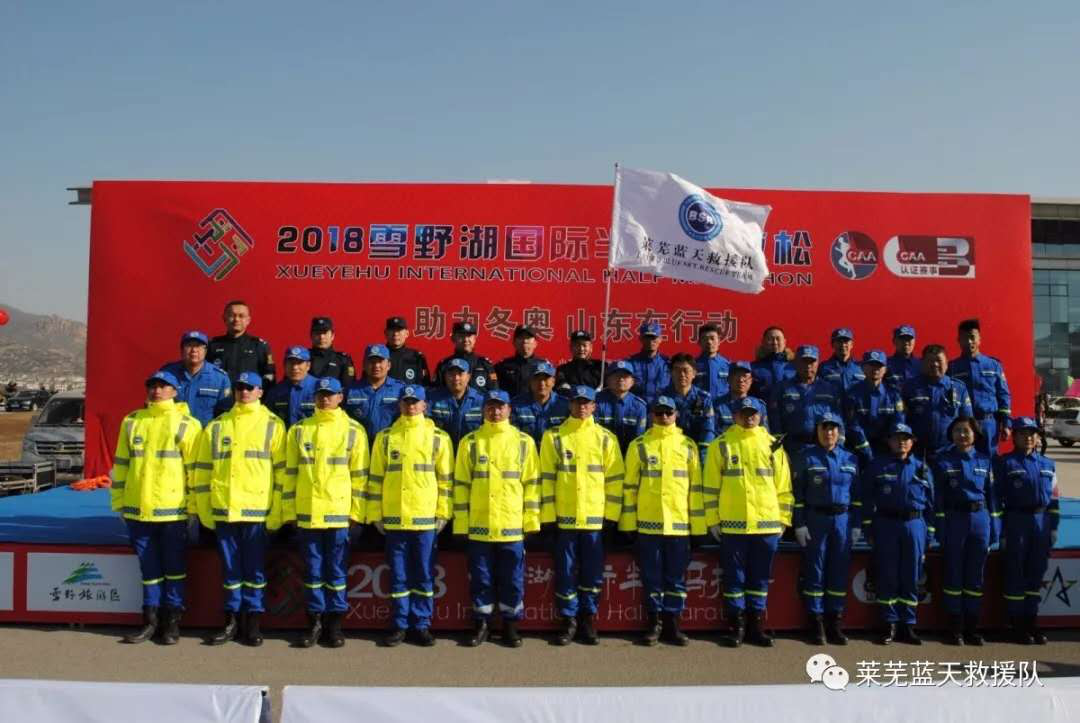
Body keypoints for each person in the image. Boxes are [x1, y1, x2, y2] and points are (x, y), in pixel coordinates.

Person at [192, 371, 285, 647]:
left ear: (260, 392)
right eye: (240, 388)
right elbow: (202, 472)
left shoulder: (273, 425)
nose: (244, 392)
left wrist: (277, 513)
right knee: (231, 570)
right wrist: (204, 510)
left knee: (255, 571)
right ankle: (231, 622)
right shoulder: (217, 426)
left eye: (250, 388)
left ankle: (253, 624)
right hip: (225, 510)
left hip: (257, 511)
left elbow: (283, 475)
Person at [110, 370, 201, 644]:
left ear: (175, 391)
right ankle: (150, 621)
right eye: (152, 386)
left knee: (174, 569)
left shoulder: (187, 424)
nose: (157, 390)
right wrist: (119, 504)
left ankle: (172, 623)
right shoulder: (132, 421)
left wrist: (193, 508)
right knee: (148, 570)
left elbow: (195, 472)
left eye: (163, 386)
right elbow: (121, 465)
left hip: (172, 511)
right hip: (138, 510)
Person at [282, 377, 369, 648]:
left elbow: (360, 478)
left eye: (330, 394)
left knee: (336, 573)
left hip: (339, 514)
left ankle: (334, 625)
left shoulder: (354, 430)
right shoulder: (299, 430)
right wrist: (289, 512)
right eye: (321, 394)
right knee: (312, 572)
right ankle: (314, 624)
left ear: (341, 397)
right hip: (308, 513)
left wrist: (356, 514)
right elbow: (289, 475)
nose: (325, 398)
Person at [453, 390, 541, 648]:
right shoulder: (470, 442)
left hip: (511, 526)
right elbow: (461, 486)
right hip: (479, 526)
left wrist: (531, 521)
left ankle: (511, 626)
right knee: (481, 579)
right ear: (483, 410)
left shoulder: (524, 442)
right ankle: (482, 624)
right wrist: (461, 523)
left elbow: (532, 486)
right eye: (490, 407)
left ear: (509, 410)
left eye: (500, 407)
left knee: (512, 580)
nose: (495, 412)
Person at [368, 385, 453, 647]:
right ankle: (400, 624)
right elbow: (375, 479)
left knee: (424, 575)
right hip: (394, 519)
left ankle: (422, 624)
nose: (411, 406)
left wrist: (443, 513)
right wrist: (375, 514)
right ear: (399, 405)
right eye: (406, 401)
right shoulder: (385, 437)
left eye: (415, 401)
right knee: (399, 576)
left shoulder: (438, 438)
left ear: (425, 405)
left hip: (425, 519)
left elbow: (446, 481)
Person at [704, 398, 792, 647]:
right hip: (733, 524)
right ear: (735, 416)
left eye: (753, 413)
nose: (749, 417)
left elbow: (784, 487)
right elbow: (710, 487)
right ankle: (737, 627)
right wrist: (712, 520)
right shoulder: (721, 444)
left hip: (767, 524)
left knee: (760, 578)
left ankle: (756, 626)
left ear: (761, 416)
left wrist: (783, 519)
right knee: (734, 578)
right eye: (744, 413)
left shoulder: (773, 445)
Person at [540, 386, 625, 645]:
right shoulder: (553, 437)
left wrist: (611, 516)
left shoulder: (606, 438)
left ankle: (588, 618)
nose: (582, 407)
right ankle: (568, 620)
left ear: (594, 406)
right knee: (565, 572)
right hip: (564, 519)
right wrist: (548, 516)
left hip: (594, 520)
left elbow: (615, 481)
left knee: (592, 573)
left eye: (587, 402)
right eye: (577, 402)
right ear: (570, 405)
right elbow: (546, 480)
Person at [619, 396, 705, 646]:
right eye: (659, 413)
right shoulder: (640, 445)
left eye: (668, 412)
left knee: (676, 579)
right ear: (651, 415)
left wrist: (698, 527)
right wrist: (628, 524)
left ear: (676, 414)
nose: (664, 417)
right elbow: (629, 488)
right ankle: (654, 623)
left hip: (679, 525)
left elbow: (695, 489)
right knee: (651, 578)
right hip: (649, 525)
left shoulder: (688, 445)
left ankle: (673, 624)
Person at [862, 423, 935, 645]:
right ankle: (889, 624)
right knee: (888, 575)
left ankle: (908, 625)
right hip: (886, 524)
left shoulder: (922, 468)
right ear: (889, 441)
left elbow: (932, 504)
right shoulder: (878, 466)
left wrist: (929, 534)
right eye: (896, 438)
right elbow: (866, 499)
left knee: (911, 576)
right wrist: (868, 528)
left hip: (915, 525)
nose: (901, 441)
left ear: (912, 442)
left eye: (906, 438)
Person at [792, 413, 861, 645]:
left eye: (833, 428)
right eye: (824, 428)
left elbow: (858, 497)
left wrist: (856, 525)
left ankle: (835, 623)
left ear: (839, 432)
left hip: (843, 521)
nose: (828, 432)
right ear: (817, 431)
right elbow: (798, 495)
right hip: (816, 519)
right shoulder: (806, 457)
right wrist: (799, 523)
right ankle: (816, 623)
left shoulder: (851, 458)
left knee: (838, 571)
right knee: (815, 570)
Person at [931, 416, 997, 646]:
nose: (962, 435)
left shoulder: (985, 460)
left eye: (966, 431)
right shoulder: (942, 461)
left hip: (980, 520)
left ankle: (971, 628)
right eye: (957, 431)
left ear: (975, 434)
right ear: (951, 434)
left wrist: (994, 529)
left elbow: (993, 497)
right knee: (954, 573)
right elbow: (937, 498)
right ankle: (955, 628)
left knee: (975, 575)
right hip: (954, 519)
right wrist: (939, 528)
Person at [995, 416, 1059, 645]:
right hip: (1016, 521)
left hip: (1041, 522)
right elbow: (996, 499)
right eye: (1022, 433)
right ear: (1014, 437)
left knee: (1036, 573)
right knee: (1015, 572)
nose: (1028, 437)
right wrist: (1001, 531)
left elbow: (1054, 500)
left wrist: (1053, 527)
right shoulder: (1005, 463)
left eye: (1032, 433)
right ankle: (1016, 625)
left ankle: (1031, 622)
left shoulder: (1048, 464)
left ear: (1038, 437)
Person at [949, 319, 1012, 455]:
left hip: (988, 423)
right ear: (958, 340)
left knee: (990, 461)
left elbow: (1003, 394)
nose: (969, 342)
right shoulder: (952, 367)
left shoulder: (993, 365)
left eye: (972, 337)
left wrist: (1006, 423)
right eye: (965, 338)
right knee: (963, 459)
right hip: (964, 425)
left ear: (979, 339)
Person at [902, 345, 973, 460]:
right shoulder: (910, 387)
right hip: (918, 452)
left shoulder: (959, 388)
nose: (935, 364)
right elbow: (902, 419)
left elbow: (967, 420)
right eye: (930, 361)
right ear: (922, 363)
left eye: (939, 360)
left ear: (947, 363)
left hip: (950, 452)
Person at [769, 345, 841, 456]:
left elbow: (838, 419)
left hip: (821, 448)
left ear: (818, 363)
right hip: (791, 448)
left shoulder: (829, 389)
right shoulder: (782, 388)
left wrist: (838, 444)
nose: (808, 366)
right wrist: (779, 447)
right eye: (804, 362)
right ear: (796, 363)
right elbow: (774, 420)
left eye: (812, 362)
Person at [843, 350, 905, 466]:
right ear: (863, 368)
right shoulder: (852, 394)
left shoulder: (893, 394)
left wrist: (890, 444)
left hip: (887, 449)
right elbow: (853, 425)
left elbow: (898, 422)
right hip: (858, 449)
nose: (875, 369)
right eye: (871, 365)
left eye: (879, 366)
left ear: (885, 369)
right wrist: (865, 449)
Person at [160, 330, 232, 427]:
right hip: (172, 432)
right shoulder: (167, 374)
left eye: (198, 346)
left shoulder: (220, 378)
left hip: (203, 433)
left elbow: (225, 414)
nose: (194, 350)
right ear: (182, 350)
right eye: (189, 345)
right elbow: (155, 405)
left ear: (205, 351)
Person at [659, 353, 716, 464]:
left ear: (694, 373)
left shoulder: (703, 398)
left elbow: (708, 431)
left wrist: (701, 458)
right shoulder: (662, 397)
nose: (682, 374)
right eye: (677, 370)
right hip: (669, 453)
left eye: (686, 370)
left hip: (696, 454)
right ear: (670, 373)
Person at [344, 343, 404, 441]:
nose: (376, 366)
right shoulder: (351, 390)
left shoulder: (400, 390)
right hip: (359, 444)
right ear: (364, 365)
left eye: (380, 361)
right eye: (372, 362)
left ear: (388, 365)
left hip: (389, 444)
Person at [207, 300, 275, 387]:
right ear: (224, 318)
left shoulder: (259, 346)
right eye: (232, 315)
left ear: (248, 320)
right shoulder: (212, 345)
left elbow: (269, 376)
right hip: (219, 395)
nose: (236, 319)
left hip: (246, 394)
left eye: (241, 316)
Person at [427, 358, 484, 447]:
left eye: (460, 374)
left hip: (469, 452)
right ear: (445, 376)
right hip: (441, 451)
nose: (456, 378)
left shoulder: (481, 401)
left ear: (468, 377)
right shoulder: (432, 399)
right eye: (451, 374)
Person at [594, 361, 649, 454]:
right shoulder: (596, 402)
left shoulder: (639, 406)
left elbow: (638, 438)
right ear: (608, 380)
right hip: (601, 452)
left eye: (625, 376)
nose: (621, 379)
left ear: (632, 382)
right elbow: (594, 434)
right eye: (616, 375)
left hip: (629, 454)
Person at [511, 361, 569, 447]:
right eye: (537, 379)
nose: (542, 383)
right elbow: (511, 435)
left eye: (546, 379)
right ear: (530, 382)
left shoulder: (565, 405)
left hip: (555, 453)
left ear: (553, 382)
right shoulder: (516, 404)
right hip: (527, 453)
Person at [433, 321, 498, 393]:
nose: (466, 340)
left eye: (469, 336)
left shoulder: (484, 364)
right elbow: (436, 392)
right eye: (461, 336)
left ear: (475, 339)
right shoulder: (444, 365)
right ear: (453, 338)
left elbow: (494, 391)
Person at [263, 345, 317, 428]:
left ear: (308, 365)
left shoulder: (319, 388)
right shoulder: (276, 392)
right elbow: (268, 422)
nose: (295, 367)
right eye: (291, 363)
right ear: (284, 365)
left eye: (299, 363)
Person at [714, 360, 769, 435]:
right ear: (728, 380)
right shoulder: (717, 405)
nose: (741, 380)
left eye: (745, 376)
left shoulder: (759, 405)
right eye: (737, 376)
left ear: (751, 381)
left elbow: (764, 434)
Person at [495, 325, 547, 398]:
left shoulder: (544, 366)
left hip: (535, 404)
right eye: (521, 338)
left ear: (535, 343)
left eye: (528, 338)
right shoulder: (502, 366)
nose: (525, 341)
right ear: (514, 343)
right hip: (510, 404)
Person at [624, 322, 670, 402]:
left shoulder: (668, 363)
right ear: (640, 338)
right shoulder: (630, 363)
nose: (650, 341)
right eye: (647, 337)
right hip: (636, 406)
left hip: (661, 406)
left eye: (653, 337)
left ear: (660, 339)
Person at [308, 317, 355, 387]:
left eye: (325, 333)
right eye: (317, 333)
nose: (321, 337)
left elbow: (348, 387)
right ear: (311, 336)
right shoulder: (303, 359)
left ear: (332, 335)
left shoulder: (343, 360)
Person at [750, 326, 794, 401]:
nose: (775, 342)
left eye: (778, 339)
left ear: (784, 342)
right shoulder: (752, 368)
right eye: (770, 339)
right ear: (763, 342)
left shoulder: (794, 367)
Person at [385, 316, 431, 386]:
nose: (395, 334)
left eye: (399, 330)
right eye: (392, 330)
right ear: (386, 333)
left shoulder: (416, 357)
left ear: (407, 333)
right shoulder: (379, 356)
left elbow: (424, 385)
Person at [555, 330, 602, 395]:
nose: (581, 349)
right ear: (571, 347)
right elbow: (561, 388)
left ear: (591, 347)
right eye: (577, 345)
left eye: (584, 345)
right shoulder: (562, 370)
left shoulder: (601, 367)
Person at [819, 328, 865, 393]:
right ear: (832, 344)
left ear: (852, 344)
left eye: (846, 341)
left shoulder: (861, 367)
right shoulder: (823, 367)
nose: (843, 345)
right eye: (839, 341)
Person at [694, 323, 731, 401]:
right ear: (699, 342)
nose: (709, 342)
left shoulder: (728, 365)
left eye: (712, 338)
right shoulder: (693, 365)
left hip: (721, 406)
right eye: (705, 338)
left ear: (719, 341)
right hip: (700, 406)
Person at [886, 325, 920, 392]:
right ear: (894, 341)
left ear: (914, 341)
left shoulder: (922, 364)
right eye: (902, 339)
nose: (906, 342)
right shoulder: (885, 364)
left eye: (909, 339)